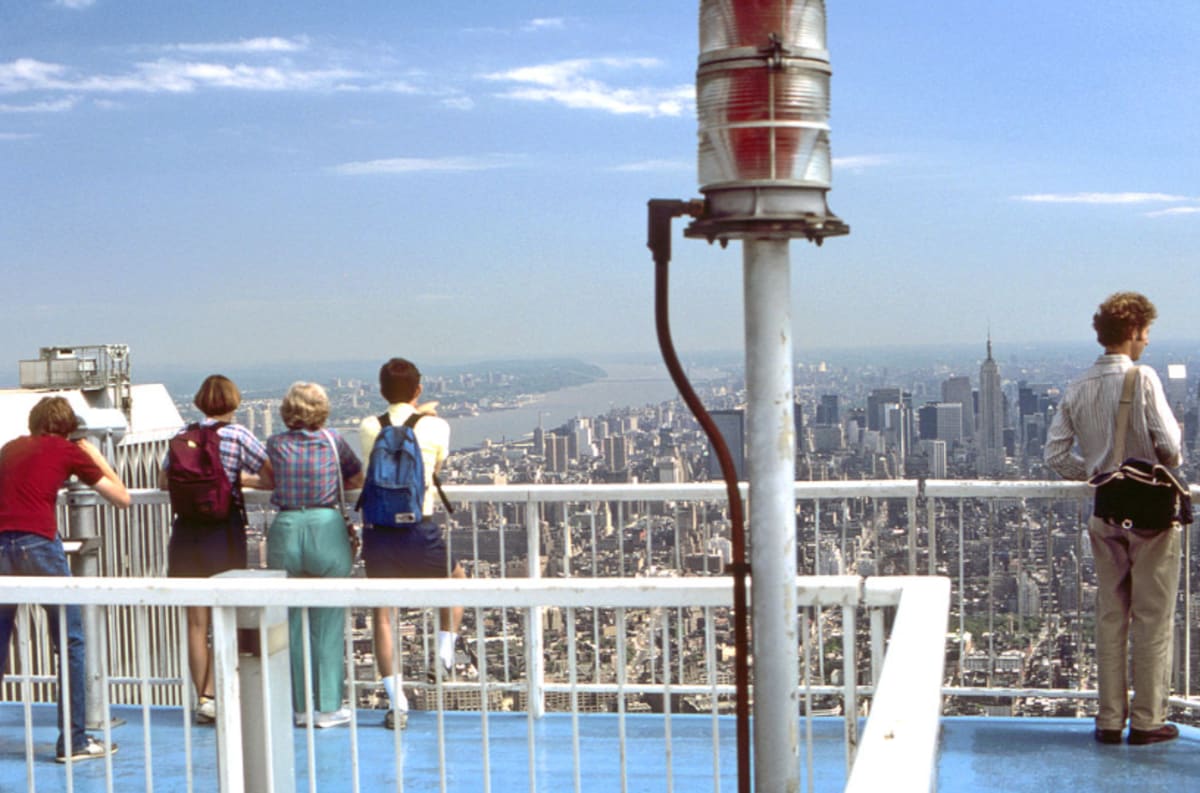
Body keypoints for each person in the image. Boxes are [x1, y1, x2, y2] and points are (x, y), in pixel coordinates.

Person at [1045, 291, 1183, 745]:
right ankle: (1146, 721)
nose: (1146, 342)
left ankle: (1108, 720)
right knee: (1152, 618)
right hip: (1150, 517)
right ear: (1134, 333)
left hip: (1105, 512)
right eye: (1144, 333)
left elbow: (1055, 454)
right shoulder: (1143, 379)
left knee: (1111, 616)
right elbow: (1172, 449)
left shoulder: (1077, 386)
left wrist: (1098, 473)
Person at [0, 396, 131, 762]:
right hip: (37, 545)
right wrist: (92, 454)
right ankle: (73, 742)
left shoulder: (9, 448)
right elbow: (121, 497)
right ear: (69, 427)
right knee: (70, 641)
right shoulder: (67, 450)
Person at [358, 357, 465, 730]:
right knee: (455, 581)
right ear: (418, 390)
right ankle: (444, 653)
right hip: (421, 527)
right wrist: (424, 414)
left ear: (381, 390)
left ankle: (396, 702)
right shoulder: (438, 426)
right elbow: (434, 471)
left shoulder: (369, 426)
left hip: (379, 530)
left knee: (383, 615)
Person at [159, 375, 271, 724]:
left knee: (196, 623)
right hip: (224, 533)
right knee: (228, 616)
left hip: (187, 533)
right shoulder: (238, 435)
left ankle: (203, 698)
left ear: (199, 402)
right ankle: (226, 692)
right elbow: (271, 477)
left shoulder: (181, 437)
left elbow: (163, 482)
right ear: (234, 403)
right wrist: (238, 479)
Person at [262, 382, 363, 728]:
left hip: (287, 527)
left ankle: (300, 706)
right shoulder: (334, 441)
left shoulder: (275, 444)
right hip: (326, 526)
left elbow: (266, 479)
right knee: (328, 622)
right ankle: (328, 707)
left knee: (292, 623)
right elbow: (355, 478)